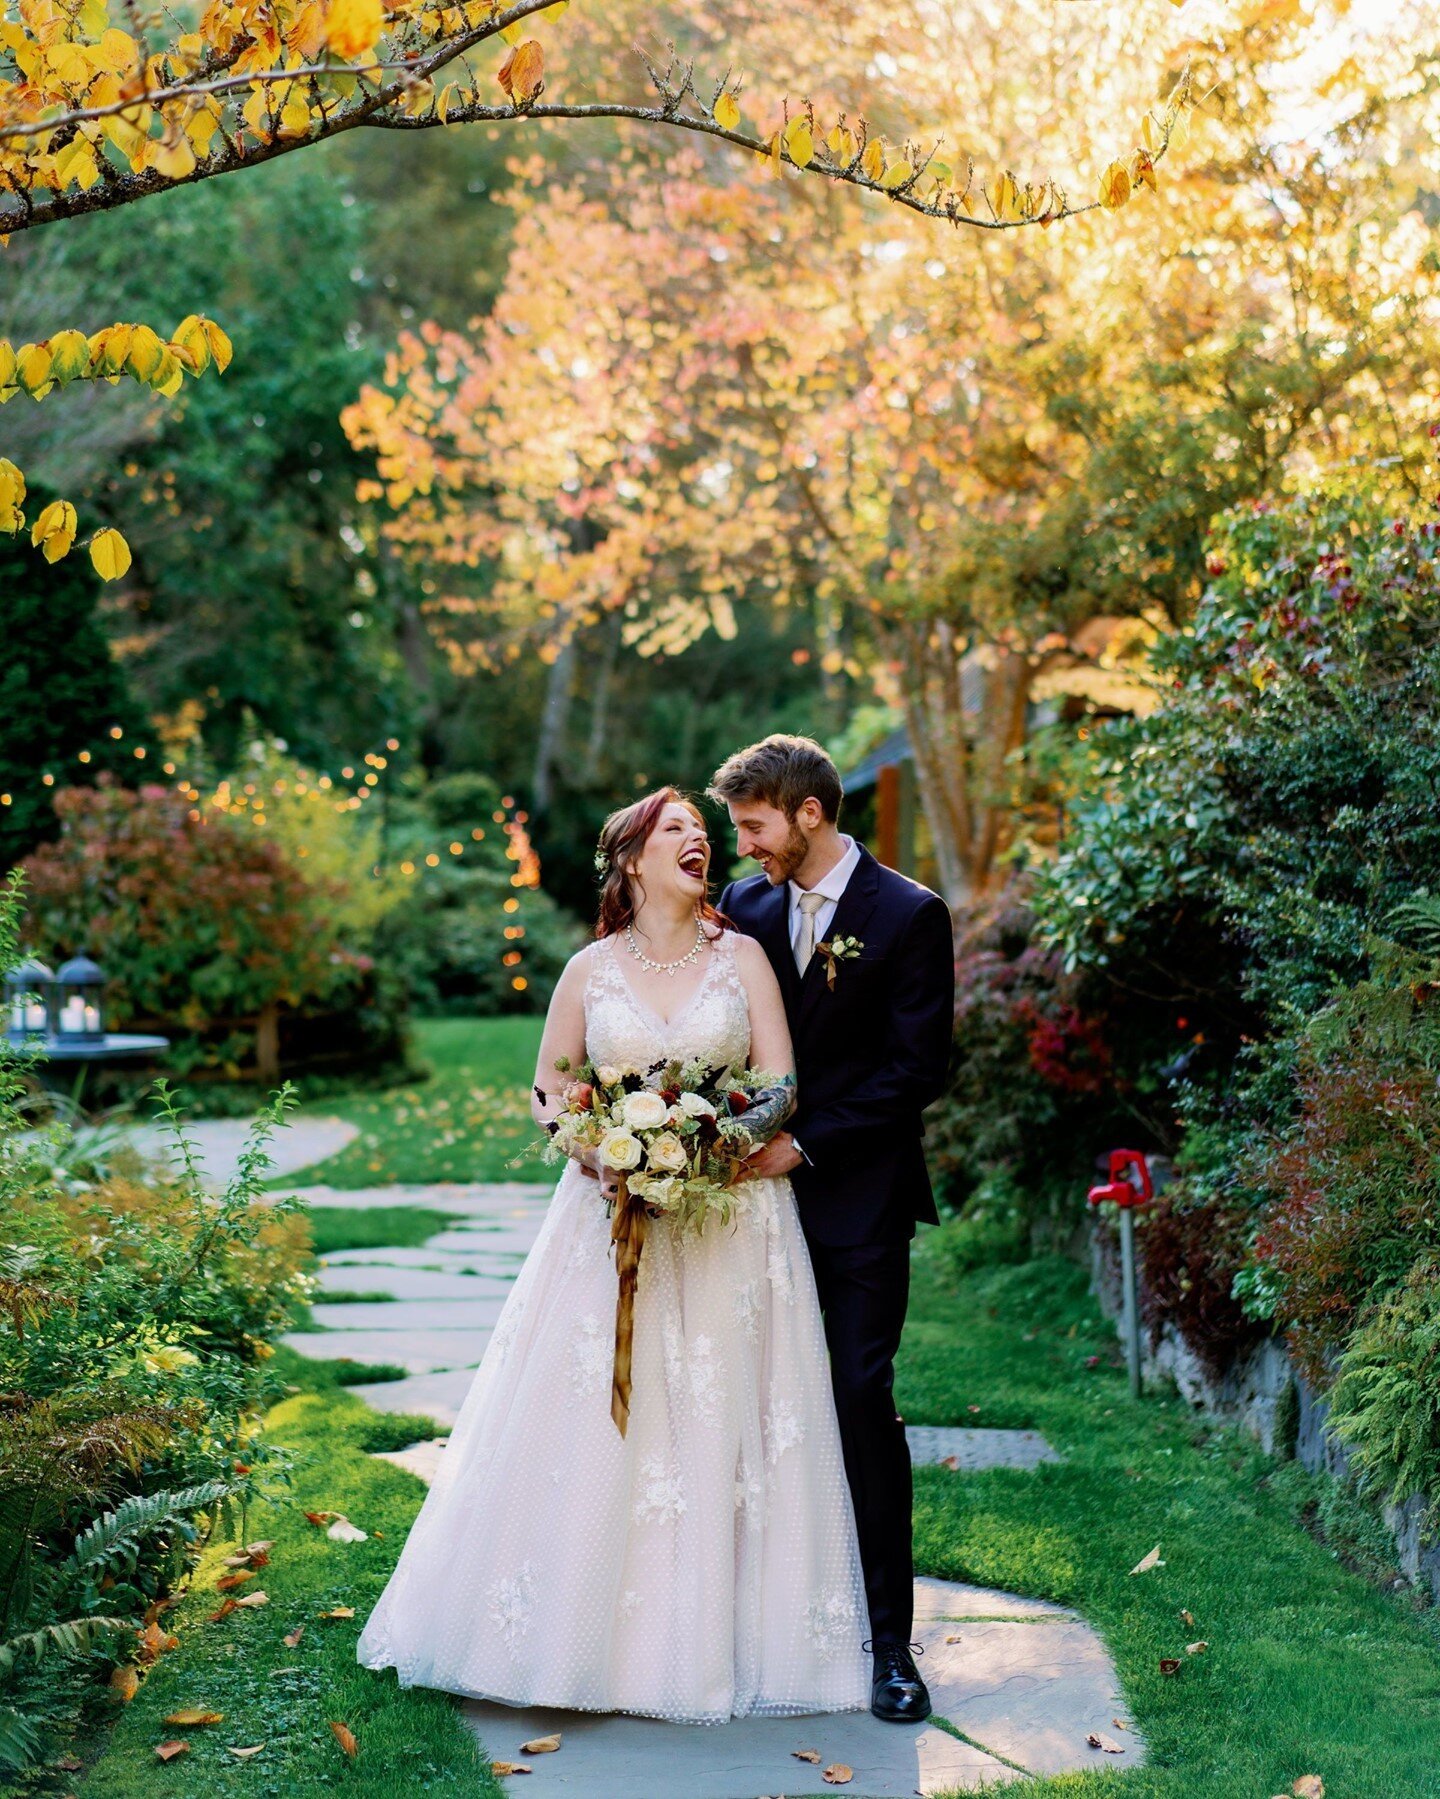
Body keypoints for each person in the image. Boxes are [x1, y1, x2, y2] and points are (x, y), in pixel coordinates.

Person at [357, 788, 870, 1724]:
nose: (700, 844)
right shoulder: (590, 969)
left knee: (723, 1416)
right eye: (678, 830)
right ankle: (584, 1643)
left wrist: (711, 1141)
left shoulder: (742, 955)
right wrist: (596, 1148)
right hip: (607, 1220)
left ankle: (716, 1641)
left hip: (732, 1222)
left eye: (705, 836)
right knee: (605, 1422)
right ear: (632, 859)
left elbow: (783, 1082)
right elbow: (552, 1083)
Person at [711, 735, 956, 1724]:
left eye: (756, 824)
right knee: (752, 1402)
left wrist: (802, 1146)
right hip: (747, 1213)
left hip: (857, 1199)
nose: (747, 845)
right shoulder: (751, 909)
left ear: (811, 812)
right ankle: (761, 1620)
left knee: (859, 1397)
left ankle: (888, 1646)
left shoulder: (909, 913)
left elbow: (917, 1071)